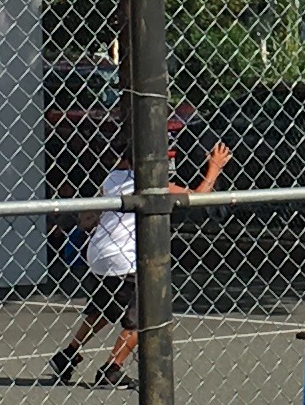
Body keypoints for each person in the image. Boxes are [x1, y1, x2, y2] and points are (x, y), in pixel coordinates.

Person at [50, 106, 231, 387]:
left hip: (99, 253)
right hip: (125, 258)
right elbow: (198, 196)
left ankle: (68, 354)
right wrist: (215, 167)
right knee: (147, 314)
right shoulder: (147, 185)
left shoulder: (114, 177)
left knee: (104, 308)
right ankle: (111, 369)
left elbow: (91, 216)